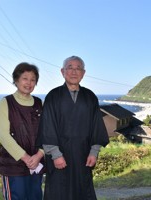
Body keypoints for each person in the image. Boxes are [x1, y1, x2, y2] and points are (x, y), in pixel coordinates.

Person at [37, 56, 109, 200]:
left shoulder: (90, 97)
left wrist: (94, 152)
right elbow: (47, 126)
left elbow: (97, 126)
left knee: (83, 192)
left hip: (83, 156)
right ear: (62, 71)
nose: (74, 72)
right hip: (58, 157)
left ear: (83, 73)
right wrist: (55, 154)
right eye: (70, 67)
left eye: (78, 68)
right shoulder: (53, 96)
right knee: (58, 193)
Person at [0, 62, 45, 200]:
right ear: (16, 80)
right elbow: (4, 136)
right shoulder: (6, 102)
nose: (29, 83)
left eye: (33, 80)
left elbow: (46, 132)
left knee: (35, 197)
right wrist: (26, 158)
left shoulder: (39, 103)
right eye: (25, 78)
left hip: (36, 164)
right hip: (13, 166)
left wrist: (38, 155)